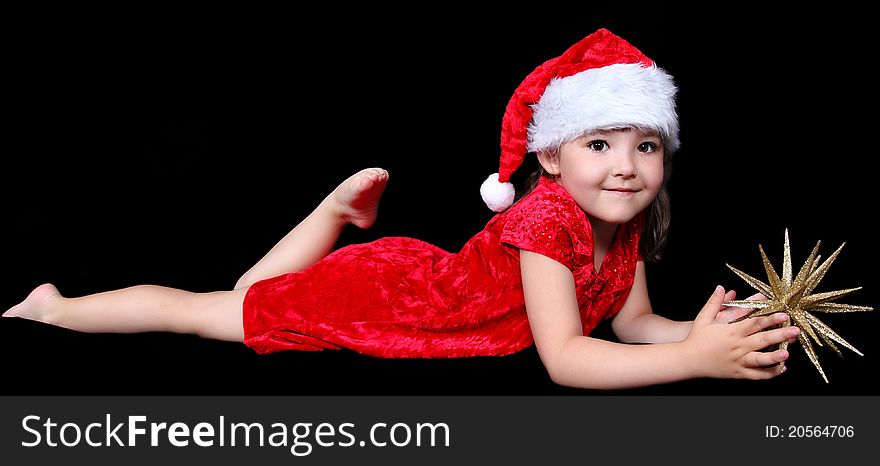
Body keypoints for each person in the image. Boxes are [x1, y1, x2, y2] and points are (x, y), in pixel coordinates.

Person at [2, 29, 799, 390]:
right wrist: (690, 365)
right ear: (550, 158)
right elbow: (566, 359)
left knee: (247, 295)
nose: (627, 166)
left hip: (424, 276)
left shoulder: (618, 233)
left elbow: (631, 327)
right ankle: (60, 310)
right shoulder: (544, 223)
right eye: (601, 144)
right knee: (214, 313)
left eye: (647, 147)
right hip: (388, 300)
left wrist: (707, 332)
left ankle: (334, 216)